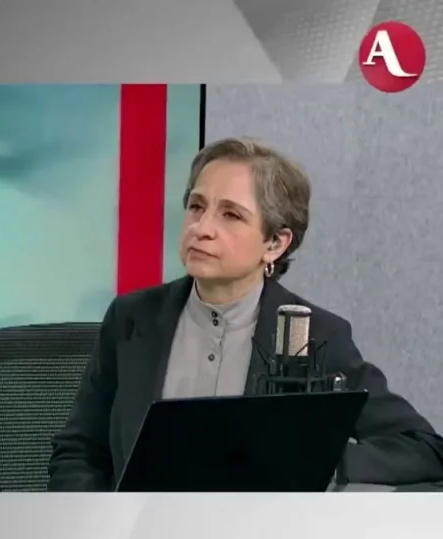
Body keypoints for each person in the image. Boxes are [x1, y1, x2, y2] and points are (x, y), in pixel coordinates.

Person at [48, 137, 443, 491]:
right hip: (141, 537)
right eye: (197, 207)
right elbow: (79, 452)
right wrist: (101, 527)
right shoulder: (131, 318)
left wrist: (323, 460)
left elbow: (423, 448)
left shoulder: (314, 334)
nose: (202, 228)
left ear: (275, 244)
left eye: (231, 215)